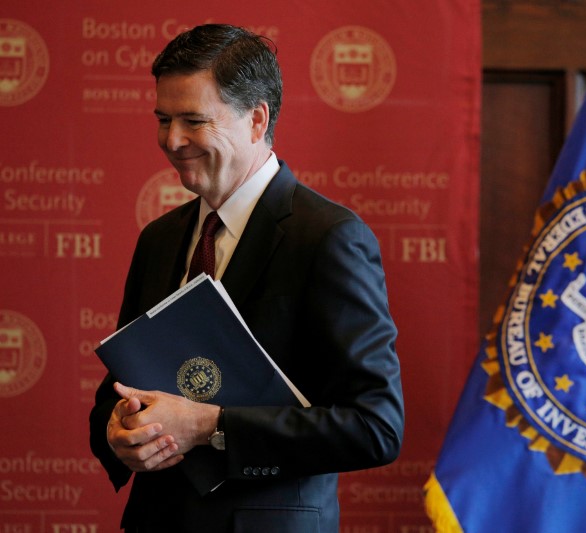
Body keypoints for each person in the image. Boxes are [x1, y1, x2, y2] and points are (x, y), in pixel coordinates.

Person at [89, 23, 404, 532]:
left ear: (256, 120)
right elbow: (118, 386)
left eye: (193, 120)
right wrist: (117, 430)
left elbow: (375, 427)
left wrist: (208, 426)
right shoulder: (159, 239)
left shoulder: (328, 238)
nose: (171, 140)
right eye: (163, 119)